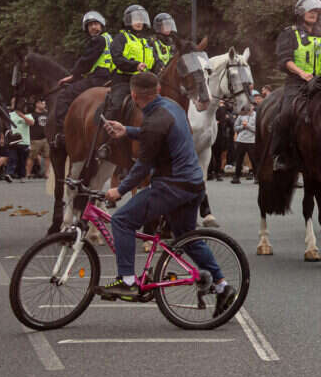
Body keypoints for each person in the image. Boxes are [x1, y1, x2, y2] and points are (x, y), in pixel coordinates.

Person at [97, 72, 236, 312]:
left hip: (172, 186)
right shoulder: (171, 107)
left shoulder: (153, 121)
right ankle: (223, 286)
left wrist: (119, 190)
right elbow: (161, 134)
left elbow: (142, 167)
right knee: (187, 236)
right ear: (158, 89)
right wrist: (127, 130)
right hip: (194, 185)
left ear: (133, 95)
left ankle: (127, 281)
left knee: (121, 220)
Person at [271, 0, 321, 172]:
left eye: (317, 11)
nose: (314, 14)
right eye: (311, 10)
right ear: (301, 12)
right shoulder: (289, 33)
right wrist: (302, 73)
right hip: (297, 83)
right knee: (286, 113)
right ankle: (280, 155)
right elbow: (285, 59)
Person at [53, 11, 114, 147]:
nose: (93, 27)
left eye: (96, 24)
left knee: (64, 96)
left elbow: (86, 61)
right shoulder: (110, 39)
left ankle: (63, 134)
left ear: (102, 25)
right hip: (109, 78)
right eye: (90, 25)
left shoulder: (98, 40)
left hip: (96, 79)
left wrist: (73, 76)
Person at [107, 5, 156, 122]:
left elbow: (155, 61)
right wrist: (135, 65)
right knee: (116, 106)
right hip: (124, 81)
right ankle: (108, 135)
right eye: (135, 19)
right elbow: (117, 58)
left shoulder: (146, 42)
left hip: (145, 82)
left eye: (141, 19)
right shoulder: (121, 38)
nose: (139, 22)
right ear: (128, 21)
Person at [8, 101, 34, 180]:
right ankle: (9, 174)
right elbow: (6, 125)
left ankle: (22, 176)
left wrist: (22, 116)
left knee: (22, 161)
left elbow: (31, 123)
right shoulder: (10, 115)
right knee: (12, 158)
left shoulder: (28, 115)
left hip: (24, 141)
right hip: (13, 141)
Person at [232, 106, 256, 184]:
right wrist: (242, 126)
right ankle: (236, 177)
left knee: (254, 160)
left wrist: (247, 126)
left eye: (251, 106)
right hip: (241, 140)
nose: (249, 108)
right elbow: (235, 127)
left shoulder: (256, 115)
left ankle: (257, 177)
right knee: (239, 160)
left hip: (251, 141)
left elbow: (257, 129)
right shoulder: (241, 115)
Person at [26, 99, 50, 179]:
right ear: (37, 104)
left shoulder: (47, 114)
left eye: (44, 103)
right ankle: (28, 173)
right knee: (31, 157)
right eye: (42, 103)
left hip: (46, 138)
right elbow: (29, 123)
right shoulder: (32, 115)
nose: (44, 104)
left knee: (47, 156)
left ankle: (47, 173)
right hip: (35, 139)